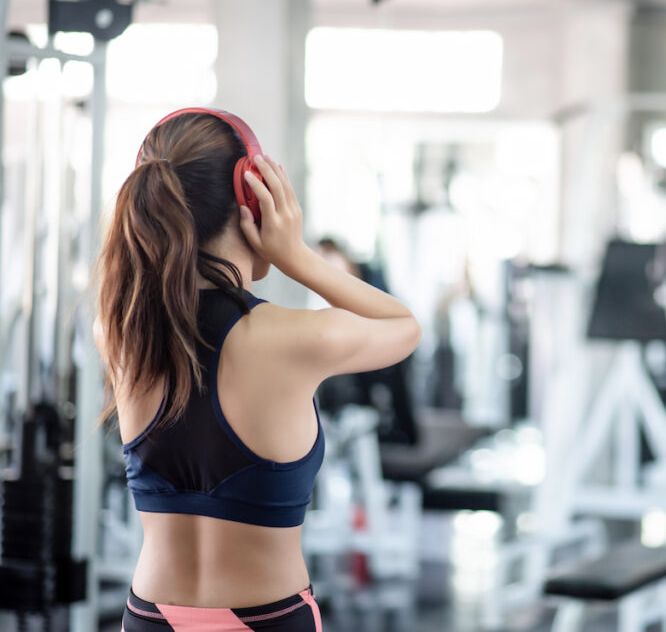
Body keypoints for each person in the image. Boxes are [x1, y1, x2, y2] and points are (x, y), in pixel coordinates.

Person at [92, 108, 420, 631]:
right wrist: (297, 256)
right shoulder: (294, 338)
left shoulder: (119, 332)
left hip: (150, 617)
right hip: (267, 619)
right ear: (254, 201)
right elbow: (404, 326)